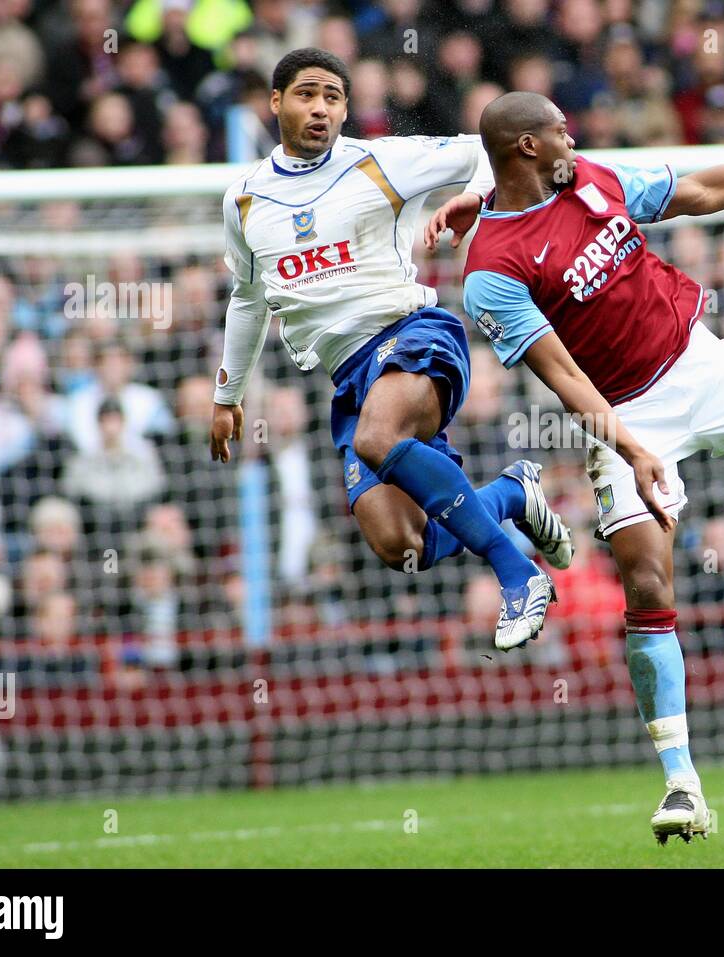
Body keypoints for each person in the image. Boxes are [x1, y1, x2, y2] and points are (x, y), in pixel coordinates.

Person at [426, 91, 724, 844]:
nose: (573, 133)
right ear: (526, 146)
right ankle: (682, 781)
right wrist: (630, 447)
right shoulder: (491, 271)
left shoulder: (591, 177)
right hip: (623, 412)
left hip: (698, 364)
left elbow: (697, 191)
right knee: (647, 582)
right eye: (560, 127)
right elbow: (563, 378)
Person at [208, 49, 573, 652]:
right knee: (406, 545)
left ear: (347, 109)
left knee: (380, 438)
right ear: (275, 102)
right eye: (306, 94)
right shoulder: (243, 202)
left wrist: (475, 199)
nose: (320, 107)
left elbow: (487, 149)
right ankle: (512, 493)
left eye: (332, 96)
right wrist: (227, 396)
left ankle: (519, 574)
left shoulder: (382, 161)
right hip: (350, 378)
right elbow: (248, 301)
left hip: (414, 334)